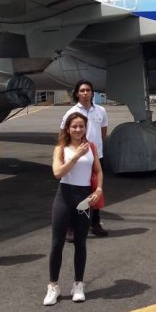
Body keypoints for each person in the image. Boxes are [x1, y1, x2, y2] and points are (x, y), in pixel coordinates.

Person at [44, 112, 103, 306]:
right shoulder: (60, 148)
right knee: (57, 243)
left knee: (81, 243)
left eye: (81, 126)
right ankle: (53, 286)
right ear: (68, 129)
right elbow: (57, 172)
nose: (78, 130)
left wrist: (99, 189)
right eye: (74, 127)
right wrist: (76, 156)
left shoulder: (91, 147)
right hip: (64, 197)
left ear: (86, 128)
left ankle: (78, 284)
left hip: (84, 198)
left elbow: (98, 171)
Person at [60, 80, 109, 240]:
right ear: (76, 93)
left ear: (92, 93)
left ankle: (95, 224)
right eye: (82, 90)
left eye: (88, 90)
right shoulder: (71, 112)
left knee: (95, 191)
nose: (85, 93)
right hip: (77, 158)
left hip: (95, 156)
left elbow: (103, 132)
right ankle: (71, 227)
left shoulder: (101, 111)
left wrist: (93, 150)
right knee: (75, 192)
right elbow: (63, 134)